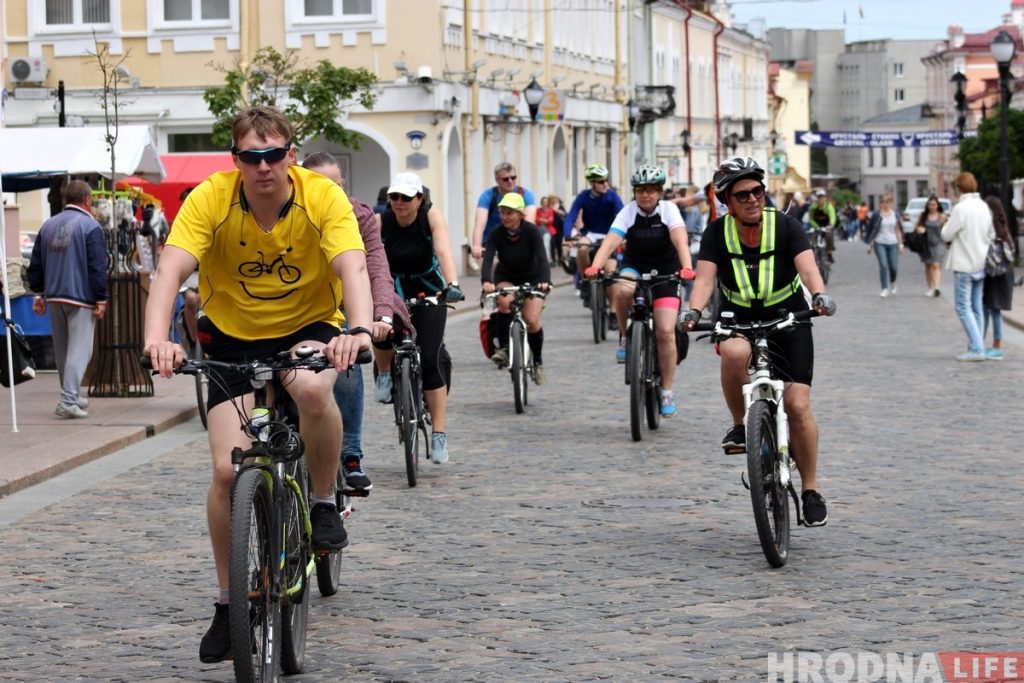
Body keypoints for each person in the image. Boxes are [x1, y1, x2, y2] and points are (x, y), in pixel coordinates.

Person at [142, 106, 373, 663]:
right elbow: (171, 270)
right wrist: (159, 340)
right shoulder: (211, 199)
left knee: (315, 390)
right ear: (236, 160)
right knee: (227, 470)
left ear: (290, 154)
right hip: (233, 336)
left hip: (309, 326)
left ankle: (321, 502)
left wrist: (359, 329)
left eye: (274, 154)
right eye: (252, 156)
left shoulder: (321, 197)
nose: (264, 166)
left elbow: (352, 267)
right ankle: (228, 604)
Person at [680, 157, 835, 527]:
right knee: (733, 351)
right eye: (742, 194)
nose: (753, 199)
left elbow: (809, 268)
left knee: (797, 405)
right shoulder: (717, 234)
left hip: (789, 317)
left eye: (758, 191)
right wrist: (693, 310)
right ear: (727, 202)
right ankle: (740, 423)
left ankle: (811, 489)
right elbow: (703, 280)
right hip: (739, 317)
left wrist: (819, 296)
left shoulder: (787, 226)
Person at [302, 151, 412, 492]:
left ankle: (350, 456)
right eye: (323, 185)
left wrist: (380, 314)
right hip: (300, 303)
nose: (332, 192)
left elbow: (375, 266)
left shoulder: (358, 214)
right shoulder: (291, 212)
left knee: (346, 357)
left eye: (338, 184)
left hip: (347, 299)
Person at [583, 165, 693, 418]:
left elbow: (680, 240)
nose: (645, 195)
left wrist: (687, 267)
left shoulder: (669, 210)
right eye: (641, 190)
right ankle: (625, 336)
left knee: (665, 331)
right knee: (621, 290)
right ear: (635, 192)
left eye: (651, 190)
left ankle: (666, 391)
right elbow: (612, 239)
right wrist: (595, 266)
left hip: (666, 270)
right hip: (635, 265)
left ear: (659, 192)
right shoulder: (628, 212)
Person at [374, 171, 464, 463]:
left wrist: (453, 285)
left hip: (428, 289)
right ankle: (386, 374)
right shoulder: (381, 221)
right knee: (382, 329)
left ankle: (439, 434)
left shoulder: (430, 217)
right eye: (394, 197)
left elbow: (444, 249)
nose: (398, 203)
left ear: (419, 200)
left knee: (431, 358)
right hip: (393, 287)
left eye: (405, 198)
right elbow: (367, 258)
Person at [27, 180, 109, 419]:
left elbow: (36, 265)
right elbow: (97, 266)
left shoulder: (48, 225)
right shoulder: (90, 226)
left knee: (62, 350)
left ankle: (69, 394)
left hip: (54, 296)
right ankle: (68, 400)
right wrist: (101, 297)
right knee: (80, 350)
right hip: (80, 297)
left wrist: (38, 293)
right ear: (87, 200)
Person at [480, 193, 553, 383]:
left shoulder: (532, 231)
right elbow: (488, 258)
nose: (505, 217)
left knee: (531, 319)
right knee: (504, 302)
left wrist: (545, 280)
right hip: (507, 276)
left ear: (521, 214)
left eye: (510, 213)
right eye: (503, 213)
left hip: (533, 277)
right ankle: (505, 348)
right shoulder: (497, 233)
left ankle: (537, 362)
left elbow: (543, 258)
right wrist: (486, 280)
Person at [941, 173, 994, 362]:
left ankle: (977, 348)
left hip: (964, 263)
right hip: (981, 263)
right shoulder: (983, 207)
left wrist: (944, 223)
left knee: (963, 307)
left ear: (959, 188)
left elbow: (946, 235)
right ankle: (976, 345)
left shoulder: (961, 208)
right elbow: (991, 233)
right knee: (977, 306)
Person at [564, 164, 625, 303]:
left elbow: (622, 215)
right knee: (582, 248)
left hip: (610, 234)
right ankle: (585, 281)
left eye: (606, 180)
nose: (605, 184)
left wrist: (624, 235)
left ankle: (613, 312)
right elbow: (571, 216)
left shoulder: (612, 196)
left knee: (610, 272)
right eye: (601, 181)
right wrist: (568, 235)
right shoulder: (583, 197)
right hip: (591, 233)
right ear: (592, 183)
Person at [471, 162, 537, 260]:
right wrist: (477, 245)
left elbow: (528, 222)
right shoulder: (488, 196)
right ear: (497, 180)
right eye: (505, 179)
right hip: (492, 242)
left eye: (513, 177)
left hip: (517, 240)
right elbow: (480, 223)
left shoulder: (525, 195)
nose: (510, 181)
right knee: (494, 268)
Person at [982, 196, 1015, 360]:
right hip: (1004, 272)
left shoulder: (991, 227)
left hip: (995, 273)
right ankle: (988, 344)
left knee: (992, 310)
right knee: (991, 309)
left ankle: (995, 347)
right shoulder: (1004, 227)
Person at [864, 193, 905, 297]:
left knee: (893, 267)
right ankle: (884, 288)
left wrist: (901, 245)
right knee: (883, 264)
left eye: (887, 202)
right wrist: (869, 244)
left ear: (891, 202)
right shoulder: (877, 215)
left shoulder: (895, 215)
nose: (884, 204)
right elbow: (872, 230)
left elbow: (898, 230)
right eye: (882, 202)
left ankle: (893, 281)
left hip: (893, 243)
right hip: (879, 242)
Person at [914, 195, 947, 297]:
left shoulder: (942, 216)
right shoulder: (923, 216)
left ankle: (936, 287)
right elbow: (917, 226)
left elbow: (948, 229)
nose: (931, 206)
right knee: (928, 265)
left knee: (936, 264)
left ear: (937, 205)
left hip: (939, 243)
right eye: (929, 205)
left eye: (933, 204)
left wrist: (944, 224)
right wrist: (919, 229)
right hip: (926, 243)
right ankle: (930, 287)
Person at [807, 189, 836, 263]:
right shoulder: (813, 207)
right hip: (817, 226)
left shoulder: (828, 206)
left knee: (829, 236)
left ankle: (829, 254)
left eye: (822, 197)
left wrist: (831, 225)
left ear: (825, 197)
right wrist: (815, 226)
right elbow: (810, 218)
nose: (821, 199)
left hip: (827, 226)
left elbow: (832, 216)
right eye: (819, 197)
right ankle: (814, 257)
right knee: (812, 241)